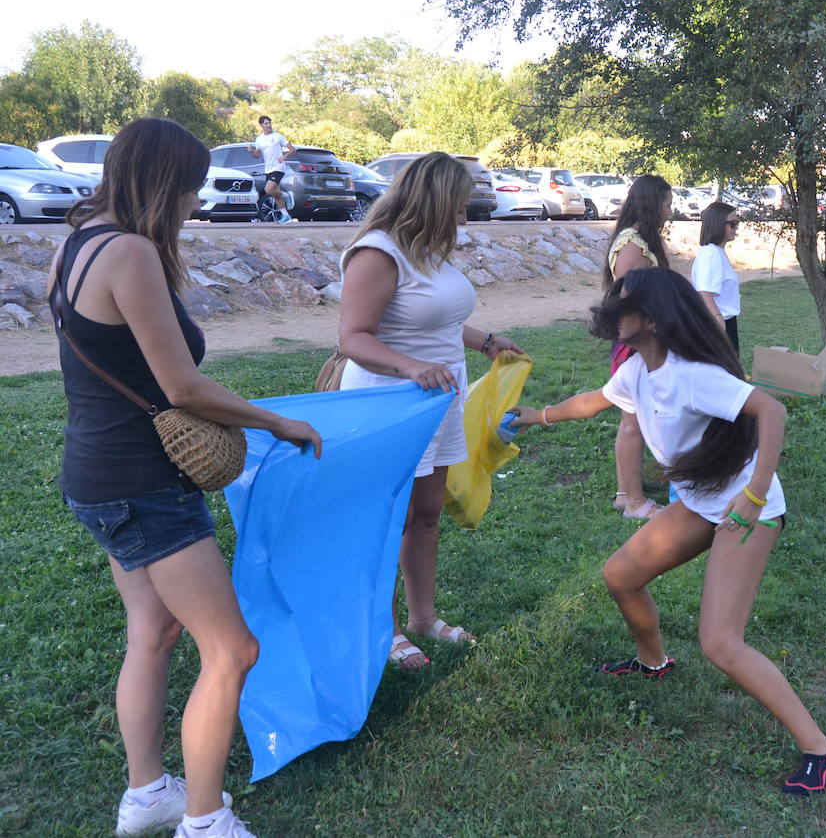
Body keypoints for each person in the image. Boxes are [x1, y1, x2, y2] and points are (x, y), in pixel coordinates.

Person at [49, 119, 322, 838]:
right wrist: (277, 421)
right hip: (144, 482)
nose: (194, 200)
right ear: (162, 181)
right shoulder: (131, 252)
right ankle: (204, 821)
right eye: (190, 185)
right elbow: (183, 388)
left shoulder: (74, 245)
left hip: (94, 472)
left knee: (153, 632)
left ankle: (147, 797)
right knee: (232, 649)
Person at [511, 268, 826, 795]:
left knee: (720, 643)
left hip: (746, 512)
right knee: (621, 575)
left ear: (655, 319)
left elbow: (771, 410)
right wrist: (538, 416)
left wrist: (754, 494)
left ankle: (820, 749)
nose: (614, 313)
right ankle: (652, 662)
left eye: (625, 305)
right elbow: (594, 401)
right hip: (699, 504)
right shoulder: (639, 371)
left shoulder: (692, 374)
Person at [338, 152, 524, 670]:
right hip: (389, 402)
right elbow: (353, 337)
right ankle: (386, 628)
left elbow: (435, 321)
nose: (467, 211)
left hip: (438, 400)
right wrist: (411, 366)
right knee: (388, 518)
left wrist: (483, 340)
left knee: (425, 514)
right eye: (461, 202)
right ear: (435, 200)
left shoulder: (431, 252)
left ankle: (422, 617)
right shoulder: (377, 253)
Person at [603, 175, 674, 519]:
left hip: (643, 340)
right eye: (667, 203)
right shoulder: (632, 243)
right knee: (634, 421)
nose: (670, 211)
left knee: (632, 419)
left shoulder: (638, 240)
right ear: (652, 203)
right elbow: (629, 297)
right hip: (636, 344)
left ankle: (623, 493)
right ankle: (634, 503)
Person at [691, 201, 742, 351]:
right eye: (732, 224)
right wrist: (719, 322)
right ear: (718, 224)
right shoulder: (711, 254)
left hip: (723, 321)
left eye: (737, 223)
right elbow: (704, 292)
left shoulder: (717, 252)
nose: (736, 228)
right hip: (716, 324)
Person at [245, 116, 295, 223]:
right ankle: (286, 216)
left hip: (278, 167)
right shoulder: (259, 139)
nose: (269, 125)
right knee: (274, 194)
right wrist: (250, 151)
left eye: (269, 123)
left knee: (268, 190)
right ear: (261, 125)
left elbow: (292, 149)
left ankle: (287, 195)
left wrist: (284, 157)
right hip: (268, 169)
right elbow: (257, 155)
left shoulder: (278, 136)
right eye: (266, 124)